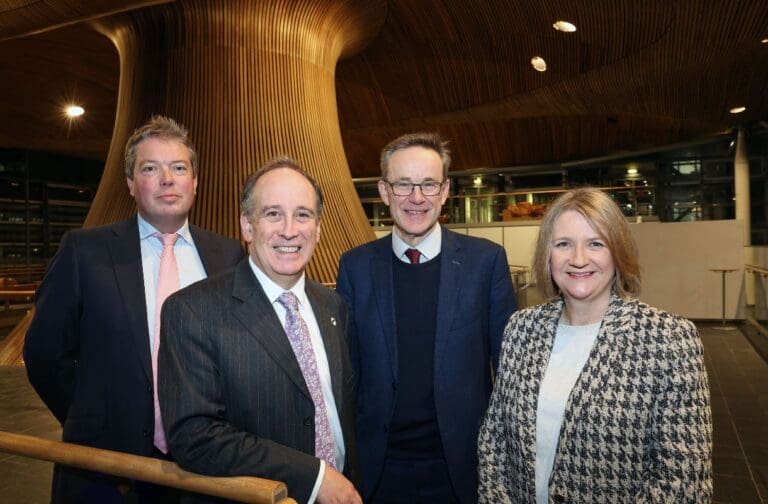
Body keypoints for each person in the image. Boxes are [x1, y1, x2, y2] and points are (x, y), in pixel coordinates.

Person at [23, 115, 244, 502]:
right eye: (150, 168)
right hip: (104, 473)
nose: (167, 179)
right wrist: (93, 420)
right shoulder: (84, 251)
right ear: (129, 183)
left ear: (195, 180)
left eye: (179, 167)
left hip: (207, 476)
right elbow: (44, 355)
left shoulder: (228, 256)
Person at [477, 187, 713, 503]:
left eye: (595, 244)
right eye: (563, 244)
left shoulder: (669, 340)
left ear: (618, 252)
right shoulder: (521, 328)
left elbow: (682, 484)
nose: (578, 259)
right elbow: (494, 439)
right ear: (548, 254)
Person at [158, 158, 361, 504]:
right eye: (272, 214)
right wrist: (314, 477)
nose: (289, 230)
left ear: (319, 227)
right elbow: (195, 436)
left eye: (303, 214)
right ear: (247, 226)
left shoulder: (333, 306)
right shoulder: (192, 311)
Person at [336, 132, 517, 503]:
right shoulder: (355, 267)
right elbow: (347, 374)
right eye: (403, 184)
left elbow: (509, 371)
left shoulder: (486, 263)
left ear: (445, 190)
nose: (417, 198)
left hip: (462, 470)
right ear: (384, 191)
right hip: (378, 471)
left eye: (428, 185)